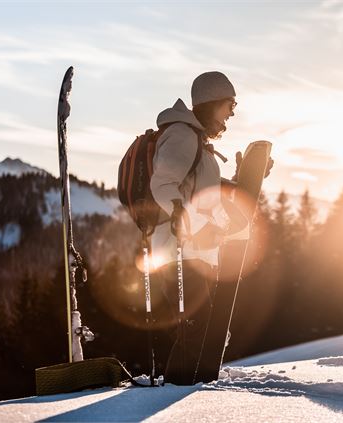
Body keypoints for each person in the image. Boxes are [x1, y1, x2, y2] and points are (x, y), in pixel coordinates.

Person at [149, 71, 266, 385]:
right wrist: (178, 214)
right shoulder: (182, 135)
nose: (231, 113)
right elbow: (162, 183)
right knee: (196, 326)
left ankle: (180, 391)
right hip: (176, 249)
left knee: (198, 326)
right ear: (211, 102)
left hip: (192, 250)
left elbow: (205, 192)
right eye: (229, 105)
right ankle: (174, 394)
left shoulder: (196, 142)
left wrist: (248, 178)